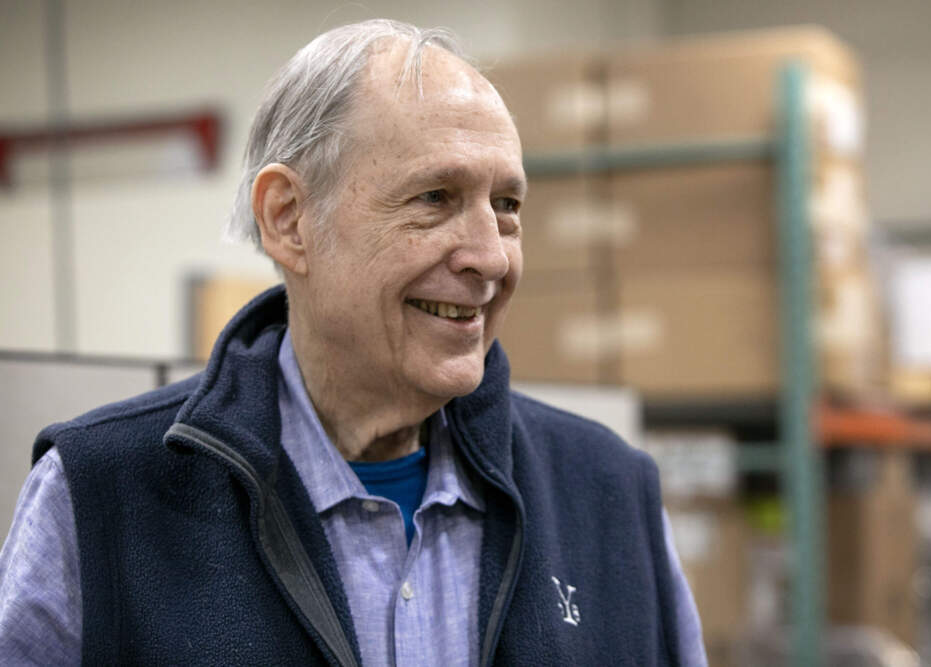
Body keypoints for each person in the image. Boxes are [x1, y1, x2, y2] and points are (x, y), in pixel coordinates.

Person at [0, 19, 706, 666]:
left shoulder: (610, 495)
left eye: (507, 206)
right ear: (289, 220)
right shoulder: (100, 497)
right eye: (435, 198)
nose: (490, 257)